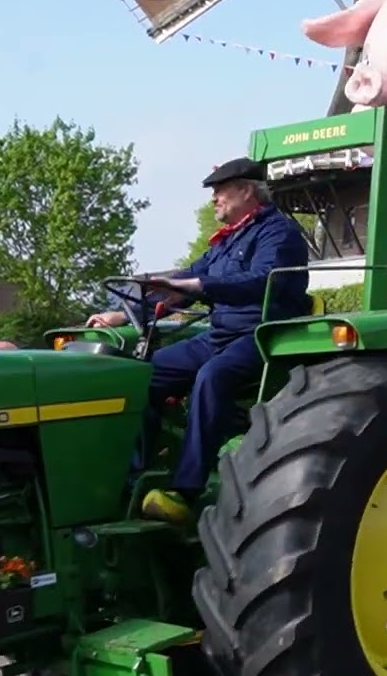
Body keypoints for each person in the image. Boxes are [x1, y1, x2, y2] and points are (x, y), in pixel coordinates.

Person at [84, 157, 310, 523]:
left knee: (211, 376)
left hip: (264, 334)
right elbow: (182, 285)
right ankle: (134, 474)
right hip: (221, 333)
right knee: (144, 375)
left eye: (220, 190)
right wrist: (125, 314)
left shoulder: (278, 234)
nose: (214, 199)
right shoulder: (226, 241)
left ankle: (185, 491)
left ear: (246, 190)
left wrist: (199, 285)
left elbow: (262, 280)